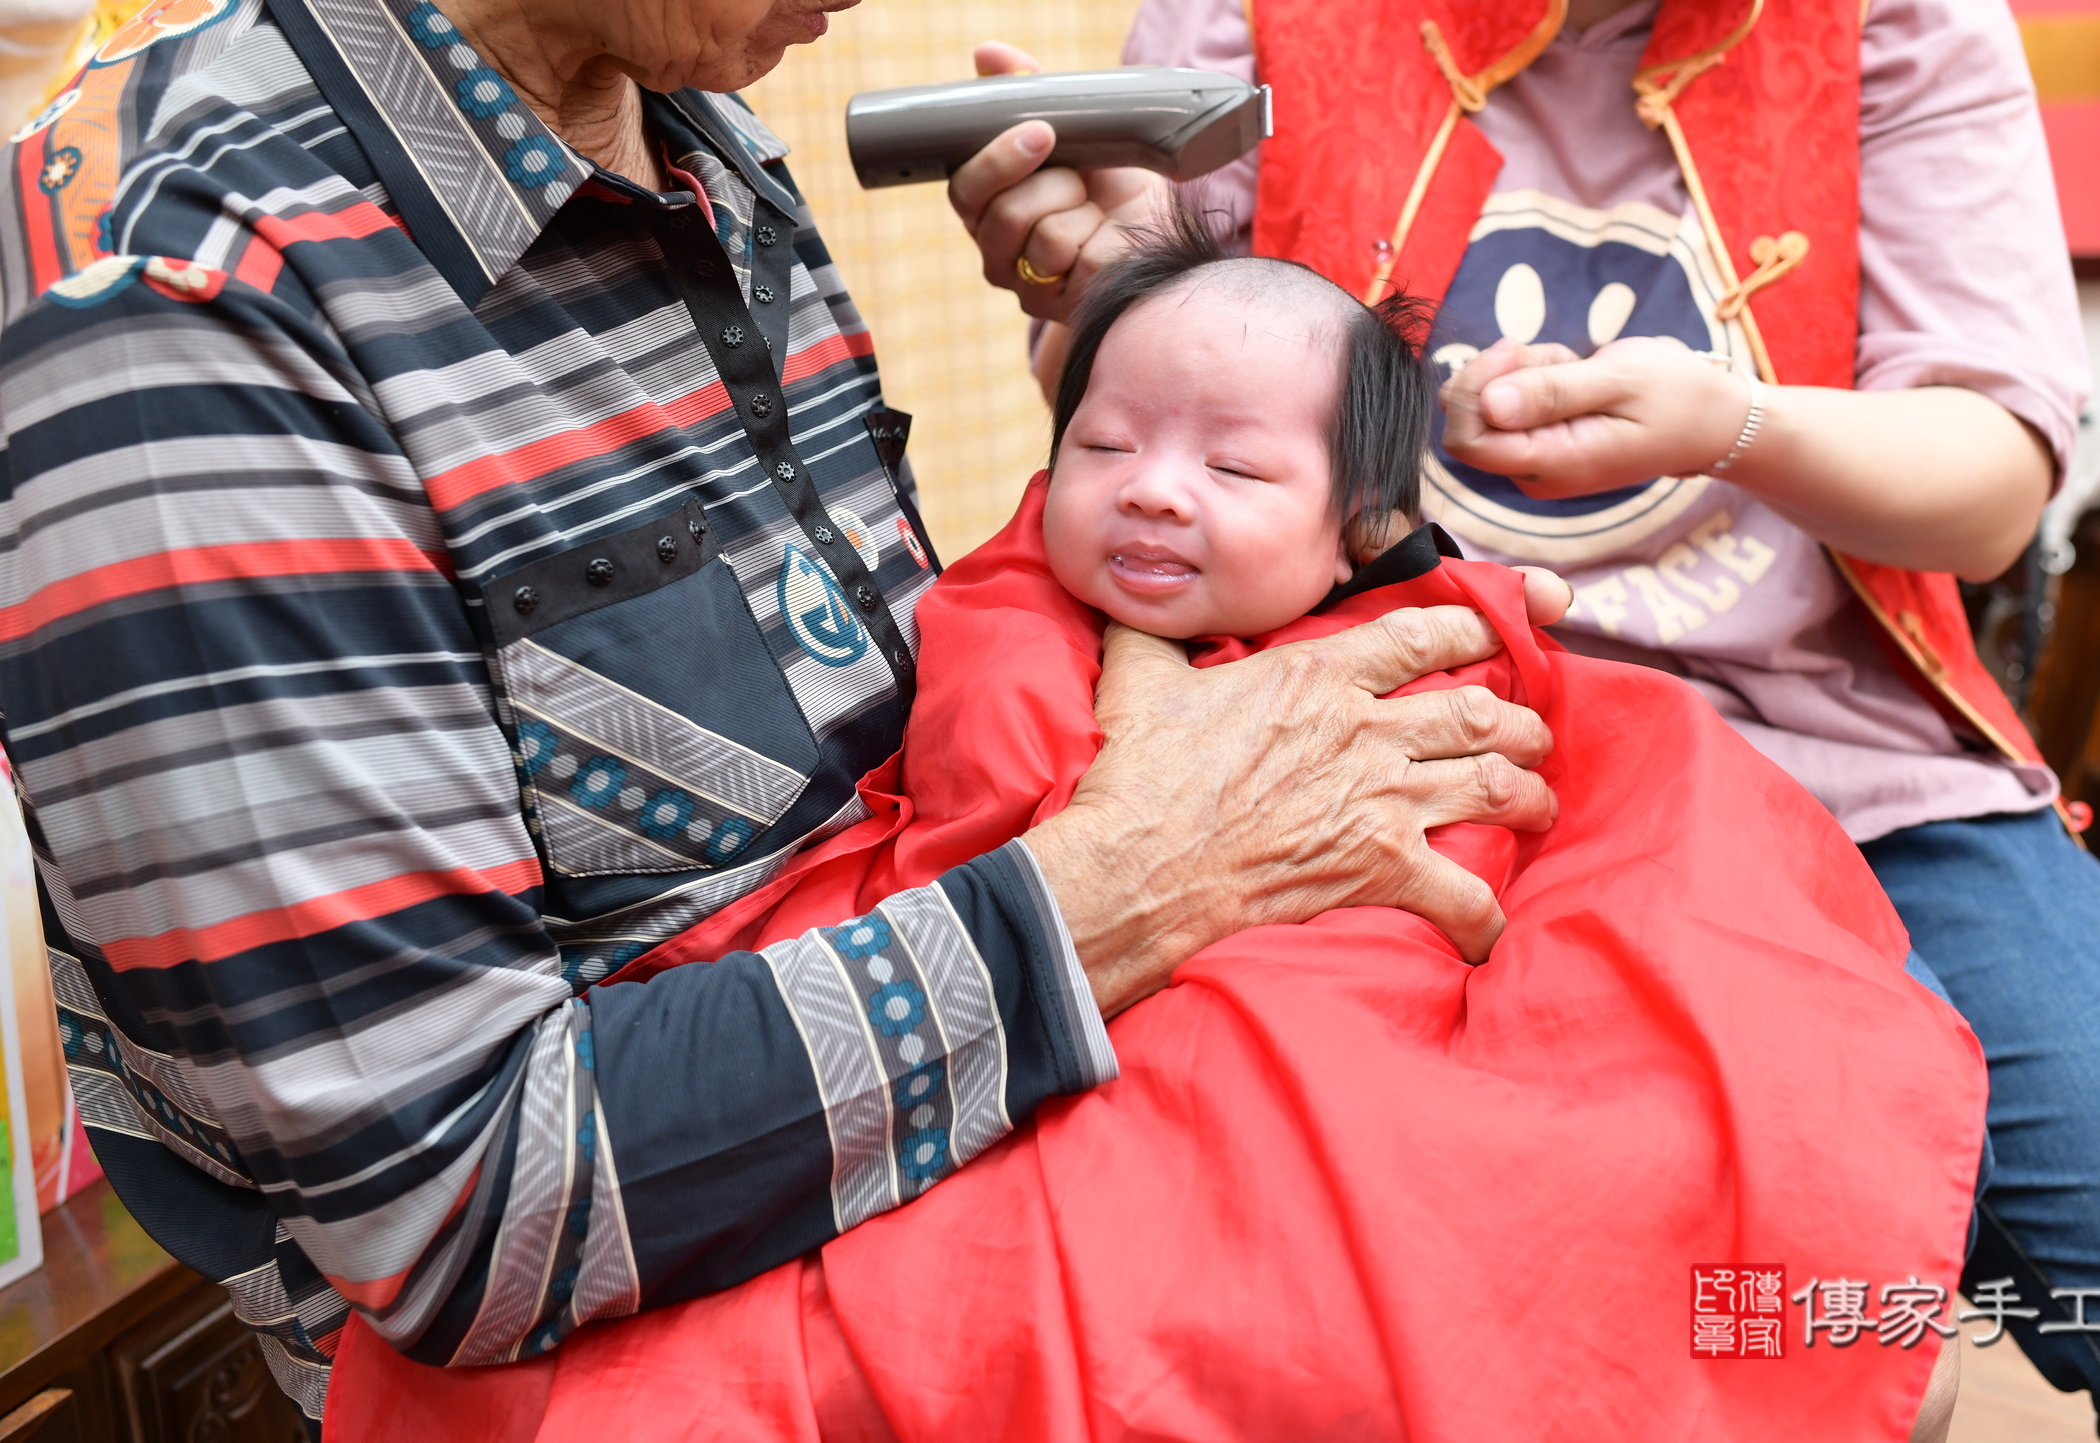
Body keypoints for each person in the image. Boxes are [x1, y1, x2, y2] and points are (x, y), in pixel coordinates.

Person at [0, 0, 1568, 1425]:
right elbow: (456, 1203)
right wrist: (1131, 883)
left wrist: (1154, 423)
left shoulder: (681, 119)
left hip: (961, 1171)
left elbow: (875, 760)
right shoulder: (169, 300)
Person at [946, 0, 2100, 1436]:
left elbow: (1990, 486)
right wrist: (1111, 284)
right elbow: (1168, 427)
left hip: (1847, 771)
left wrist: (1738, 425)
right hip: (1389, 755)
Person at [326, 210, 1985, 1441]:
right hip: (1104, 973)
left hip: (1375, 972)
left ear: (1359, 531)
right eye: (1106, 443)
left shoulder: (1421, 631)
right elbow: (991, 800)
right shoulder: (1011, 610)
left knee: (1574, 1135)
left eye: (1234, 468)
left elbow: (1550, 786)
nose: (1155, 488)